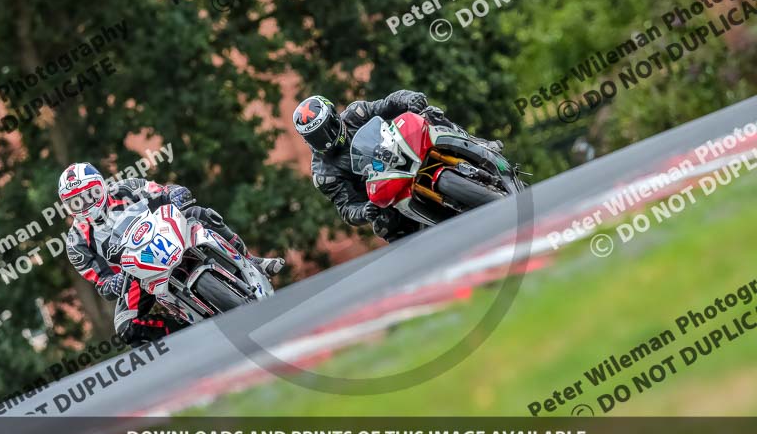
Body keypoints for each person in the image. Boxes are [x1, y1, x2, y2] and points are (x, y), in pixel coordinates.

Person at [58, 162, 284, 345]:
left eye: (91, 194)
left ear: (101, 185)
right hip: (135, 272)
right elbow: (102, 282)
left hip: (164, 235)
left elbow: (162, 191)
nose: (85, 204)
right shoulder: (76, 243)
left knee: (200, 213)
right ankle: (185, 336)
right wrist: (113, 284)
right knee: (125, 327)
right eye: (76, 201)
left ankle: (253, 260)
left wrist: (176, 193)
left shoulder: (127, 188)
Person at [292, 90, 501, 241]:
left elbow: (388, 103)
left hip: (402, 151)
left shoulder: (357, 113)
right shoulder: (323, 173)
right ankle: (428, 257)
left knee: (430, 114)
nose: (325, 140)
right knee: (383, 225)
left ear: (334, 117)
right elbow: (346, 208)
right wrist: (364, 211)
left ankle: (478, 144)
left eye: (326, 129)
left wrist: (409, 99)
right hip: (385, 190)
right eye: (316, 137)